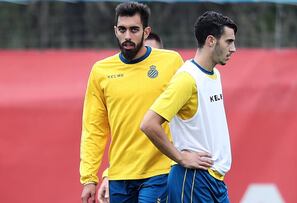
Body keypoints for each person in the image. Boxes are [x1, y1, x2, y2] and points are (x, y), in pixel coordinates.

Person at [79, 2, 183, 203]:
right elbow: (94, 128)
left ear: (146, 32)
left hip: (160, 171)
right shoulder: (100, 71)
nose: (127, 36)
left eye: (134, 29)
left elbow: (188, 114)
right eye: (122, 29)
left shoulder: (171, 62)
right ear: (115, 31)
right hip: (120, 175)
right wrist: (89, 178)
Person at [140, 11, 237, 202]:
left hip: (215, 181)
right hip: (193, 179)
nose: (233, 48)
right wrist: (181, 158)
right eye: (229, 41)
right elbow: (148, 123)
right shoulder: (186, 78)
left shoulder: (214, 75)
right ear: (211, 41)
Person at [96, 31, 164, 203]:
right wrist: (107, 174)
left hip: (160, 172)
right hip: (123, 175)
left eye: (151, 51)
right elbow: (115, 134)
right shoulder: (109, 76)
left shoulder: (173, 78)